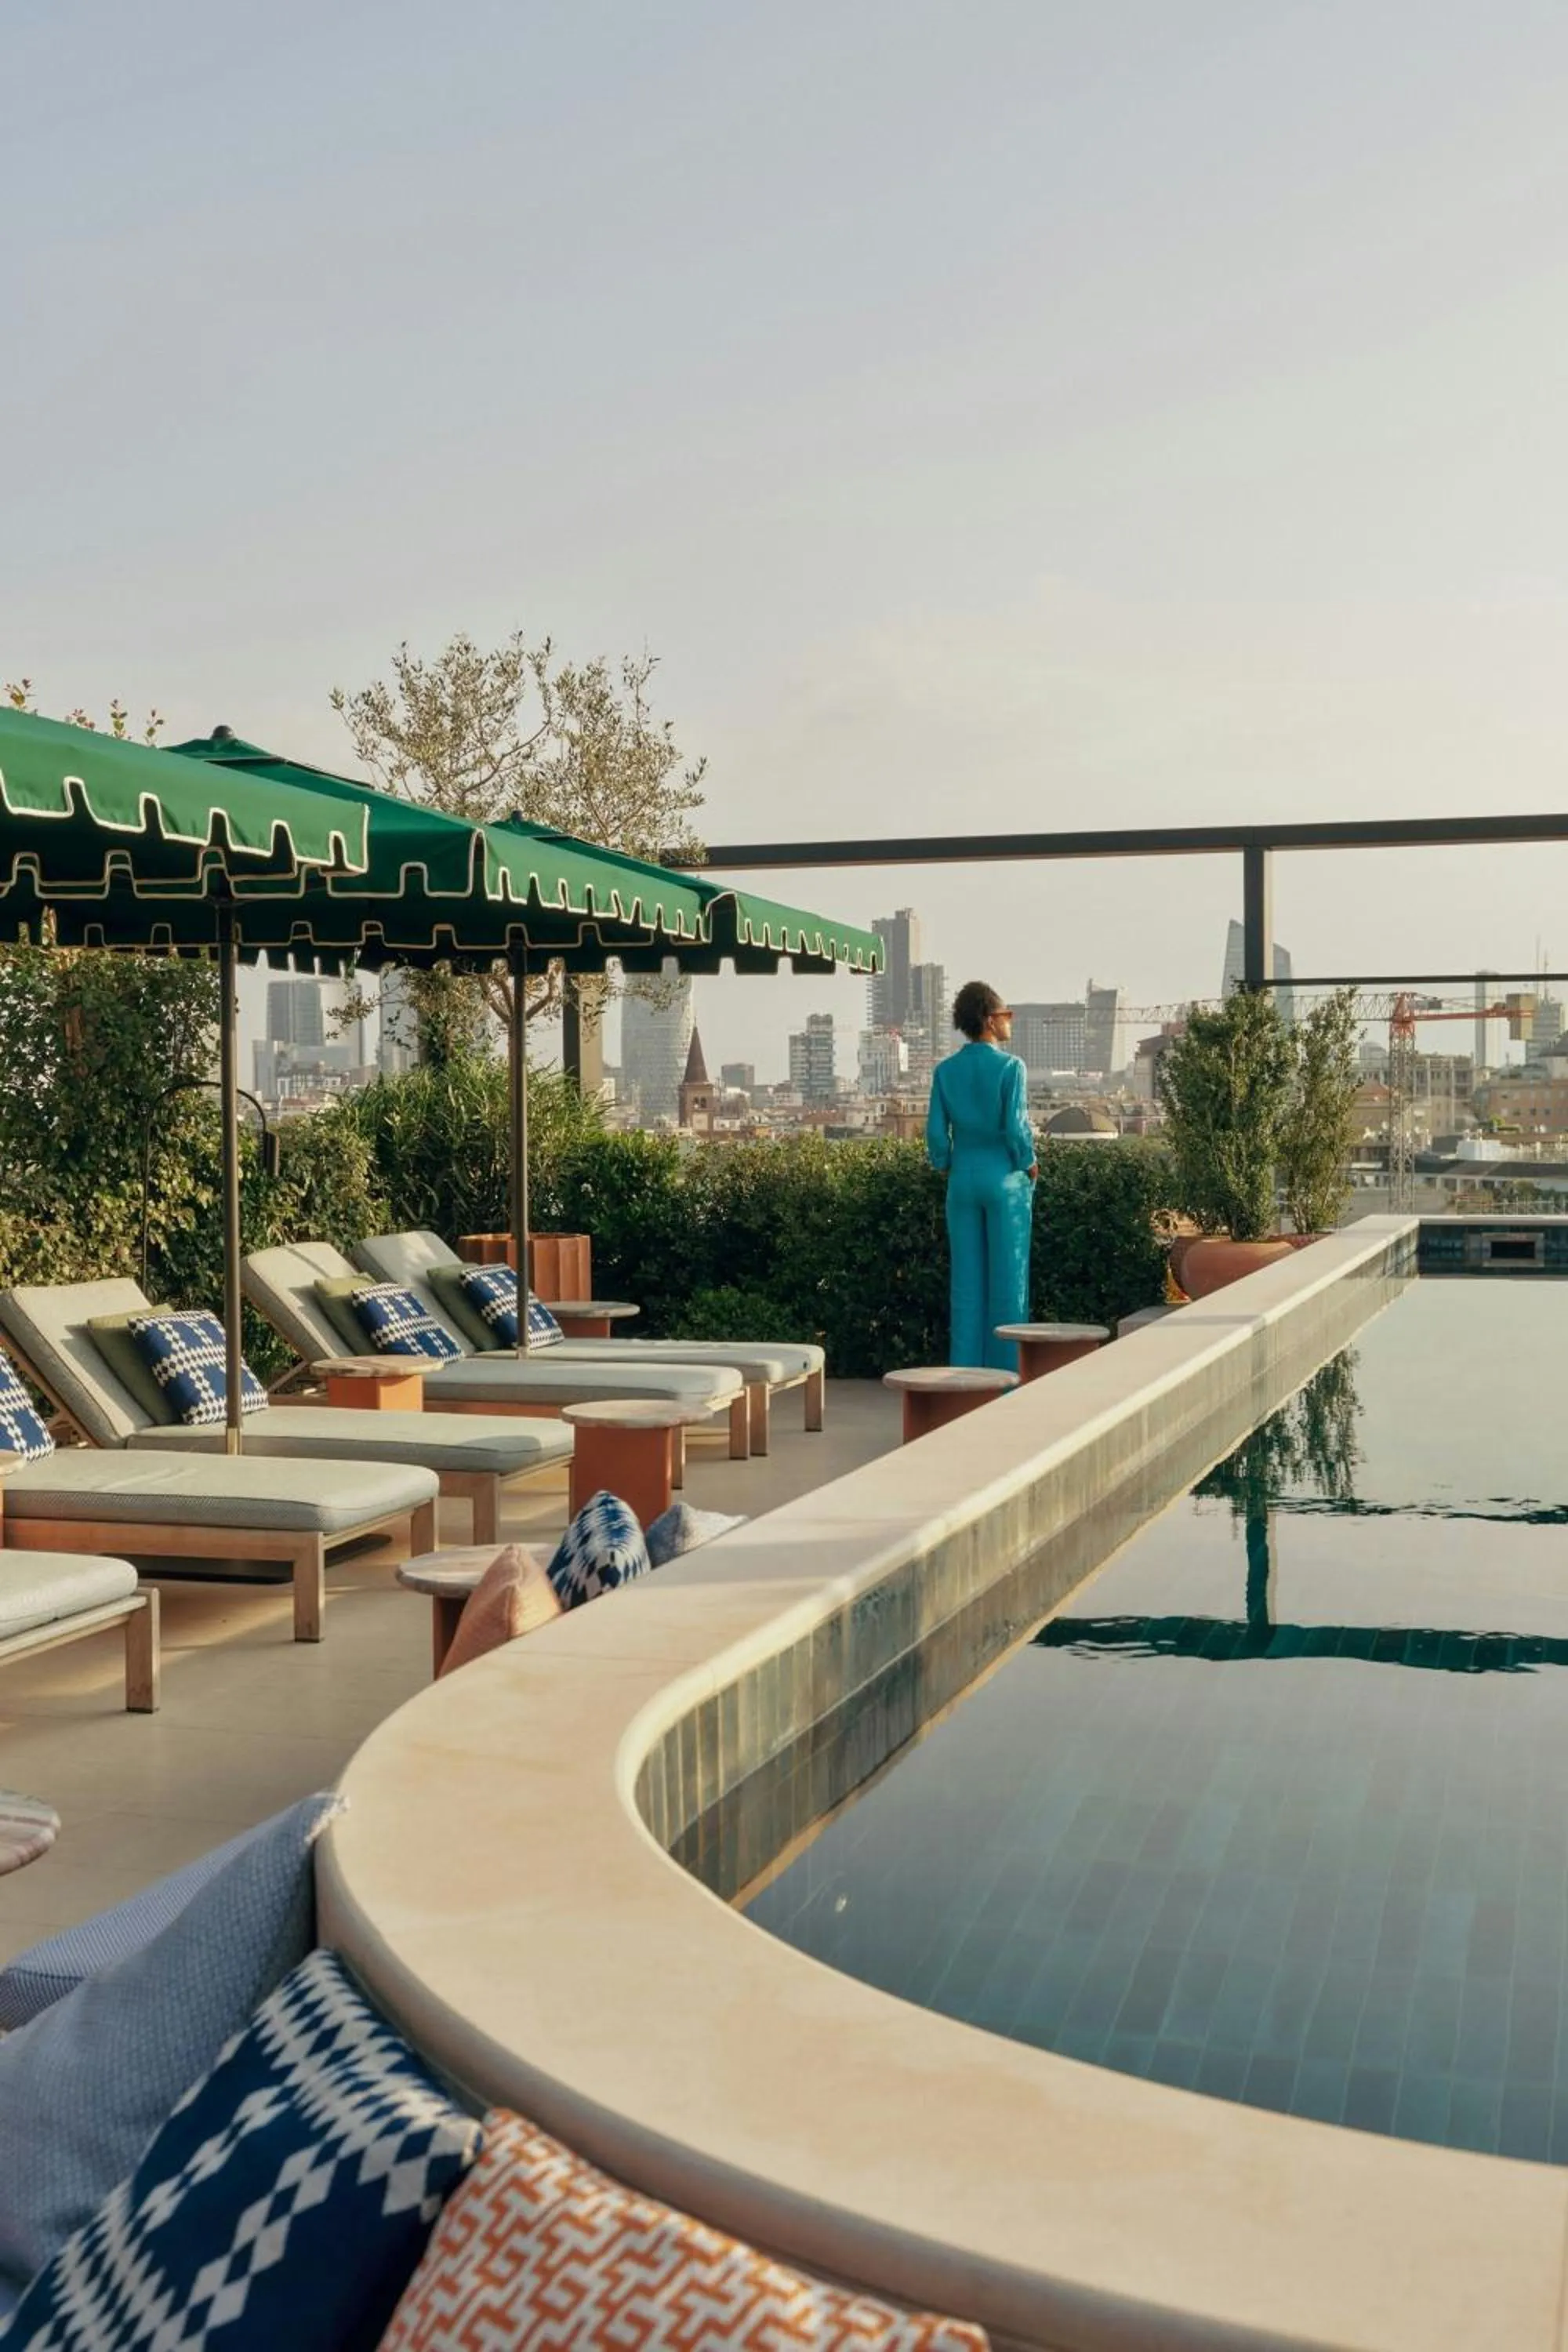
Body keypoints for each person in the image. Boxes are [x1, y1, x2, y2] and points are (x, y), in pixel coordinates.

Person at [925, 982, 1038, 1370]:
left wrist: (944, 1163)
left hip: (962, 1181)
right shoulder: (1011, 1067)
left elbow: (936, 1134)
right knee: (1009, 1283)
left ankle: (964, 1378)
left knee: (966, 1287)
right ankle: (1006, 1378)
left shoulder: (945, 1071)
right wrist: (1028, 1161)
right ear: (990, 1020)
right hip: (1005, 1180)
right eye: (1007, 1014)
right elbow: (1016, 1128)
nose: (1010, 1021)